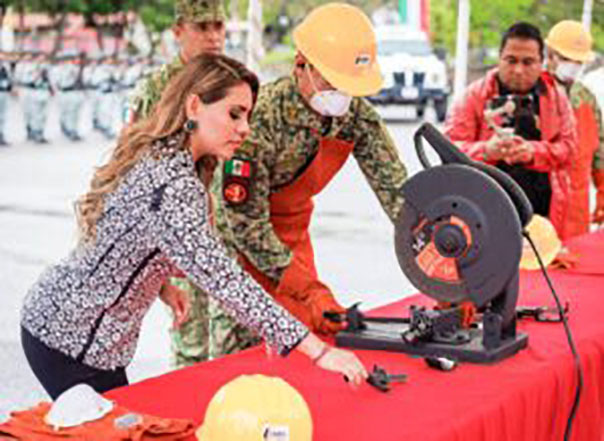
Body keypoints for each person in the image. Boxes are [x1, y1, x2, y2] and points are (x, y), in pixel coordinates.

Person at [20, 54, 367, 400]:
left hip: (86, 336)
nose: (244, 128)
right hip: (68, 340)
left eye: (247, 115)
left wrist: (158, 284)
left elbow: (125, 232)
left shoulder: (167, 155)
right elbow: (228, 284)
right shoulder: (172, 184)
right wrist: (319, 351)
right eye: (234, 113)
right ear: (194, 106)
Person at [206, 3, 408, 360]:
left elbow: (396, 190)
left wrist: (436, 258)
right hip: (238, 247)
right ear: (302, 65)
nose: (344, 93)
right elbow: (245, 224)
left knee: (307, 347)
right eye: (334, 80)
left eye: (351, 84)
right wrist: (305, 288)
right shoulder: (259, 119)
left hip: (293, 237)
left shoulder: (355, 115)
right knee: (239, 358)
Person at [129, 0, 228, 368]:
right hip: (179, 236)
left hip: (226, 236)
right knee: (191, 348)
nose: (213, 37)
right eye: (202, 27)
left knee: (238, 344)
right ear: (178, 31)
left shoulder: (229, 82)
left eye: (218, 26)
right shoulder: (157, 88)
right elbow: (131, 169)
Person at [444, 22, 577, 239]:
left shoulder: (556, 98)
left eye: (528, 62)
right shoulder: (474, 96)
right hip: (483, 217)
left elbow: (570, 150)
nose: (518, 70)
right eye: (511, 60)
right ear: (499, 58)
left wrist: (534, 153)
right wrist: (486, 151)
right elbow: (449, 151)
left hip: (544, 219)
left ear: (541, 63)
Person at [545, 20, 604, 233]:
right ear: (550, 55)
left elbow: (599, 151)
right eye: (566, 59)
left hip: (577, 213)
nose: (573, 66)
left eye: (578, 62)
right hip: (542, 209)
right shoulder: (533, 92)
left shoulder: (586, 97)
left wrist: (602, 193)